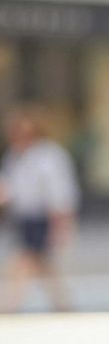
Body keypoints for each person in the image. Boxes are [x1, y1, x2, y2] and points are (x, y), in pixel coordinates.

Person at [0, 107, 79, 313]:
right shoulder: (14, 157)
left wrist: (61, 226)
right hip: (25, 218)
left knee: (22, 262)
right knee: (46, 267)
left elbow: (60, 194)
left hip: (44, 218)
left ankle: (8, 308)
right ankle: (63, 307)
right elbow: (11, 188)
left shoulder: (49, 156)